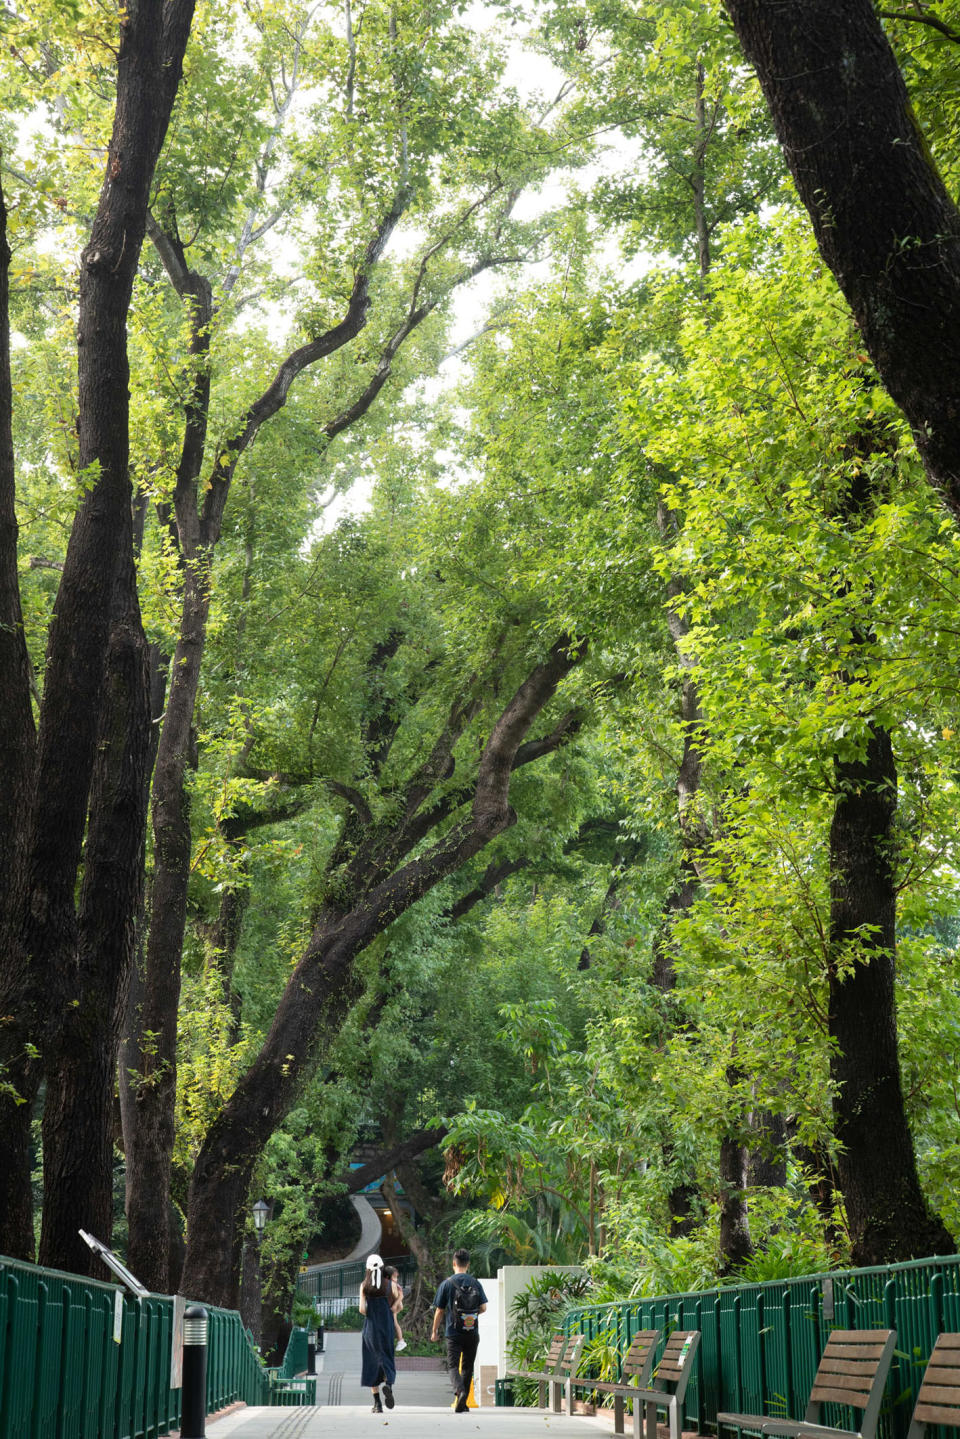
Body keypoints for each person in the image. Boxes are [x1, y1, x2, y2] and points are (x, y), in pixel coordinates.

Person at [430, 1248, 488, 1414]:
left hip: (453, 1333)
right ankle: (463, 1403)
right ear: (468, 1264)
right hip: (472, 1332)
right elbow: (483, 1307)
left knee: (453, 1366)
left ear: (454, 1263)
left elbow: (439, 1310)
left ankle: (460, 1392)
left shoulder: (447, 1284)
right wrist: (470, 1315)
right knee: (468, 1366)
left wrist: (434, 1331)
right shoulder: (475, 1282)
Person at [358, 1253, 400, 1412]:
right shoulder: (390, 1285)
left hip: (370, 1329)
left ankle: (377, 1404)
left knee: (372, 1363)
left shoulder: (364, 1286)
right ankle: (388, 1384)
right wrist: (393, 1307)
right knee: (387, 1357)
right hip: (387, 1327)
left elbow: (362, 1309)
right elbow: (398, 1304)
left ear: (367, 1269)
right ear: (382, 1268)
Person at [383, 1264, 407, 1351]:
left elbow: (401, 1296)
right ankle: (400, 1340)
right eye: (394, 1277)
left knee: (395, 1323)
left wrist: (394, 1305)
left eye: (396, 1277)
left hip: (394, 1307)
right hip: (395, 1307)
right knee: (394, 1323)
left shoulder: (395, 1285)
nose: (396, 1279)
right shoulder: (391, 1284)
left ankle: (401, 1340)